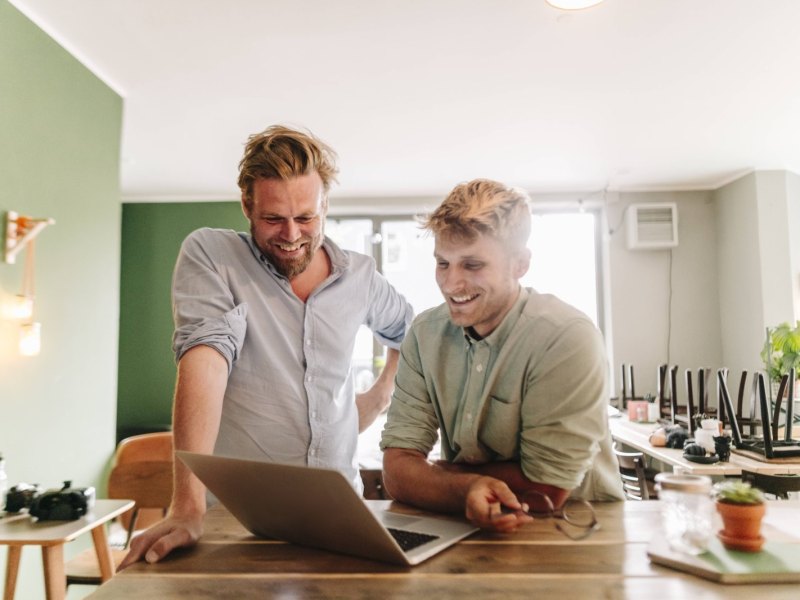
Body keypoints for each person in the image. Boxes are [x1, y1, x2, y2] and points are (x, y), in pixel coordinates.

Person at [122, 125, 413, 566]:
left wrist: (381, 394)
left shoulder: (361, 277)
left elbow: (410, 335)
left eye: (306, 217)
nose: (291, 234)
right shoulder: (212, 256)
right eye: (273, 219)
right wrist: (187, 506)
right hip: (239, 521)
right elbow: (205, 362)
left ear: (325, 205)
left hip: (340, 516)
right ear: (247, 206)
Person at [380, 178, 623, 534]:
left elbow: (547, 490)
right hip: (467, 526)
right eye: (443, 263)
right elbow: (396, 473)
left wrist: (437, 476)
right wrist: (458, 487)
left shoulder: (565, 336)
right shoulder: (424, 334)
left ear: (520, 264)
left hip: (579, 528)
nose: (451, 284)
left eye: (473, 265)